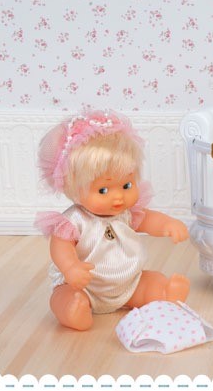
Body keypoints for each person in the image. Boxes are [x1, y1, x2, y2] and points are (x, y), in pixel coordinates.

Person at [35, 110, 190, 331]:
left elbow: (148, 220)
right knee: (63, 296)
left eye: (126, 185)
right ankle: (74, 309)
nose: (118, 197)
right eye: (103, 190)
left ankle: (164, 292)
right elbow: (60, 246)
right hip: (86, 287)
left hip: (128, 282)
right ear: (73, 188)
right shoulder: (73, 221)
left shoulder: (127, 213)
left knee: (151, 281)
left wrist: (167, 224)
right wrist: (71, 268)